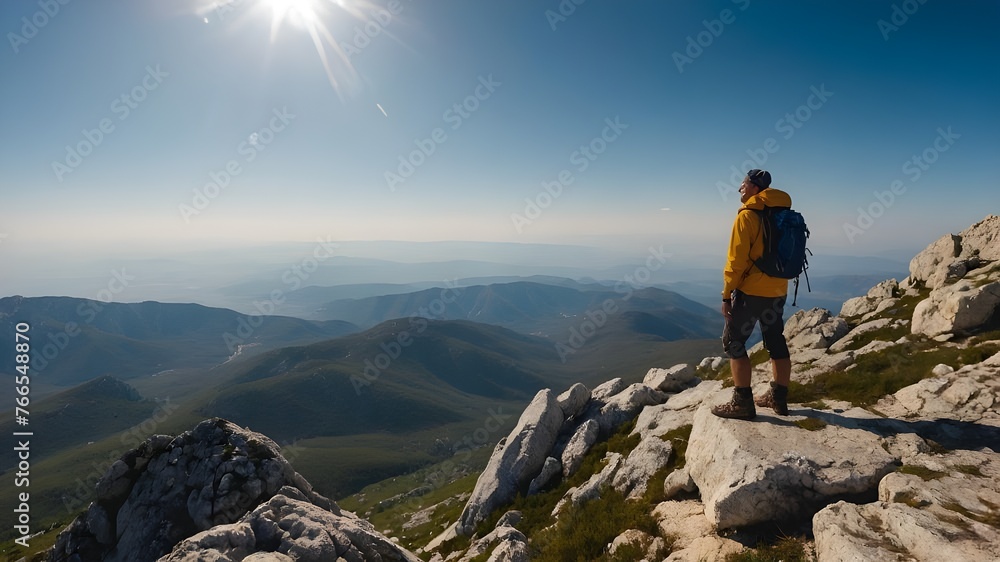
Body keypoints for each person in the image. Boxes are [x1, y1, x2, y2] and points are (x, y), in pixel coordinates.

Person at [712, 169, 792, 420]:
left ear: (755, 188)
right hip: (779, 289)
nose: (739, 189)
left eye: (743, 184)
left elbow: (735, 262)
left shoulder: (747, 216)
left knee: (733, 342)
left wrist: (726, 295)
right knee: (775, 341)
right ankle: (778, 399)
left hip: (751, 292)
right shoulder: (782, 213)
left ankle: (742, 403)